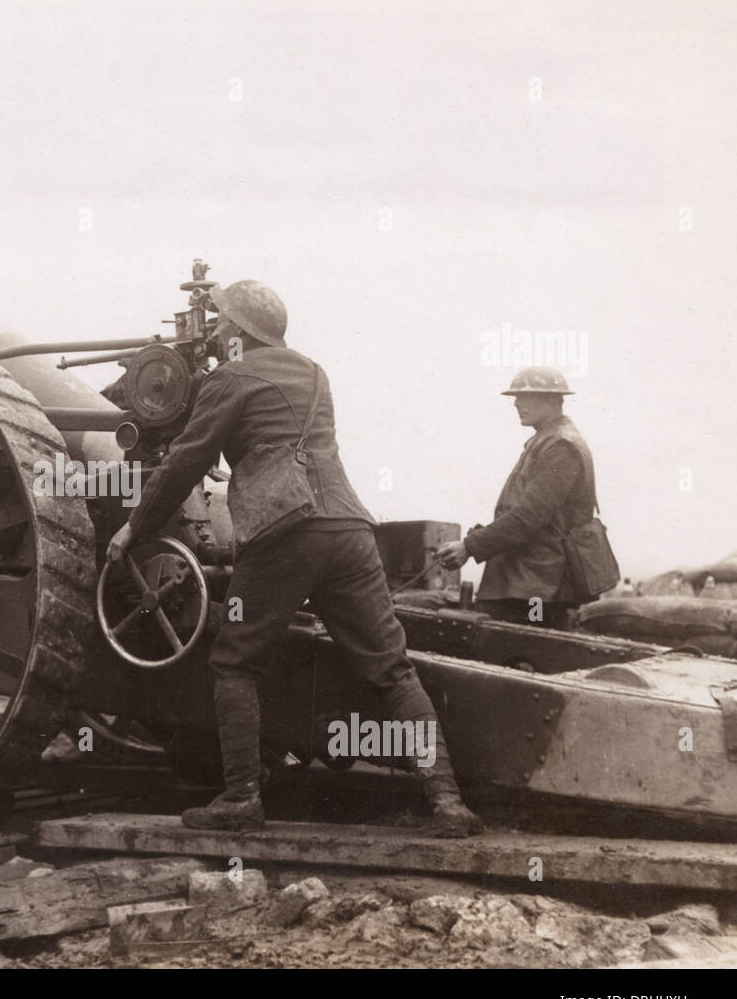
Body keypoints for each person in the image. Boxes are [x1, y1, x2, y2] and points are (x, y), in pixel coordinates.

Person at [106, 280, 482, 837]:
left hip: (284, 532)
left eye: (220, 326)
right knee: (390, 666)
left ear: (236, 330)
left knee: (234, 661)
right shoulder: (313, 371)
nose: (214, 335)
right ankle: (448, 801)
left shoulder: (228, 378)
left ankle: (240, 800)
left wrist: (133, 530)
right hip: (349, 530)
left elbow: (186, 460)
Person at [435, 367, 605, 630]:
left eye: (526, 397)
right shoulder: (547, 442)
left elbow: (529, 518)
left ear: (552, 400)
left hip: (535, 593)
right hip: (526, 585)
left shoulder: (561, 447)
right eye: (516, 397)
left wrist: (470, 546)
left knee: (524, 654)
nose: (516, 403)